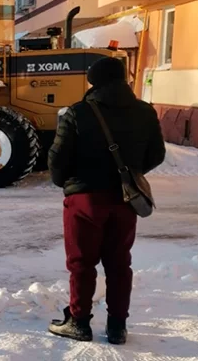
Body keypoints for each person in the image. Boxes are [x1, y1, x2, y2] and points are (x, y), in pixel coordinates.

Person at [46, 56, 166, 344]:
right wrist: (129, 175)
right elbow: (157, 154)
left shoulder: (77, 113)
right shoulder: (145, 112)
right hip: (125, 200)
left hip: (84, 200)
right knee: (119, 264)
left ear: (93, 81)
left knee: (81, 264)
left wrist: (69, 183)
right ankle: (117, 328)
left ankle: (78, 322)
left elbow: (57, 160)